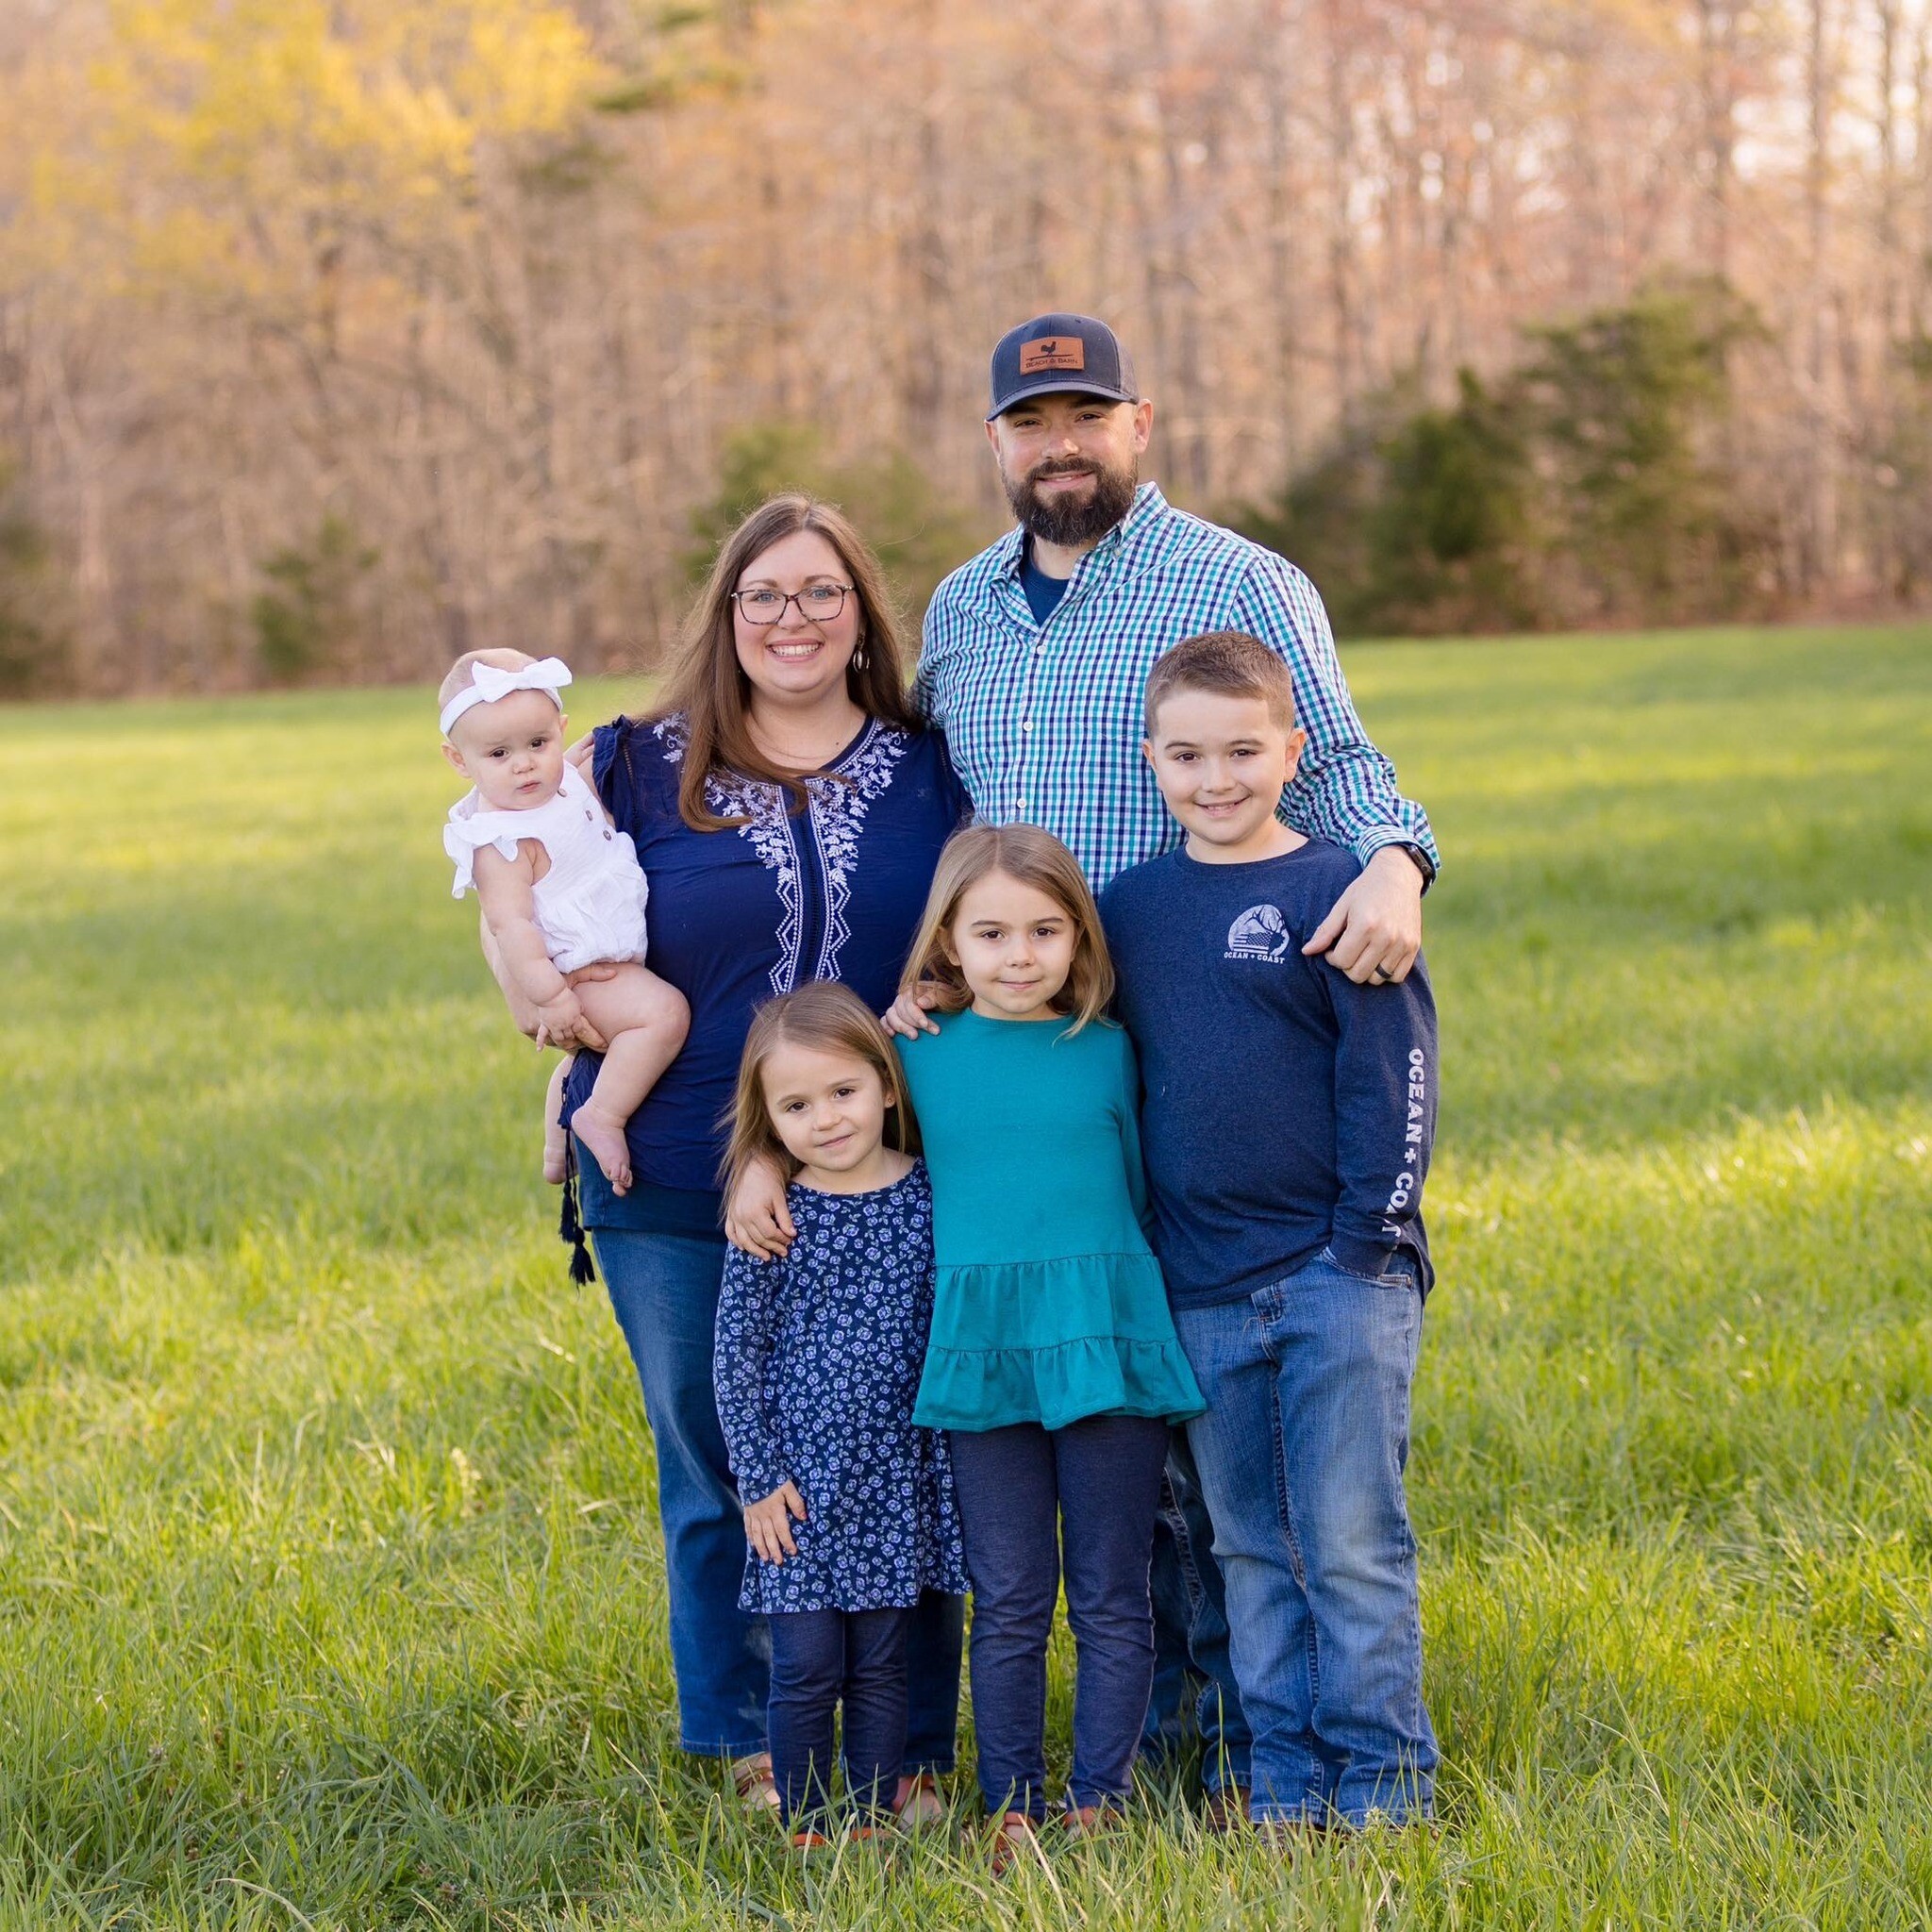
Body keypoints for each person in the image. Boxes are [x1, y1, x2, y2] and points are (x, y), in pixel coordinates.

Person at [904, 310, 1444, 1819]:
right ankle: (1176, 1746)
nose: (1058, 444)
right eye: (1030, 422)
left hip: (1204, 1014)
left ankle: (1257, 1760)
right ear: (998, 440)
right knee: (1119, 1400)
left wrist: (1398, 860)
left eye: (1087, 416)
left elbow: (1333, 762)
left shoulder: (1239, 582)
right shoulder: (960, 609)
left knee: (1223, 1468)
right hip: (1035, 1058)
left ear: (1140, 424)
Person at [489, 497, 971, 1816]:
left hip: (880, 1178)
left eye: (822, 593)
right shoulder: (635, 764)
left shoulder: (932, 764)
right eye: (763, 595)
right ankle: (760, 1738)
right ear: (726, 614)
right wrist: (557, 1035)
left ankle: (908, 1747)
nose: (793, 620)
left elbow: (976, 934)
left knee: (893, 1445)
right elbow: (517, 885)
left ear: (864, 613)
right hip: (670, 1165)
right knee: (716, 1456)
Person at [1100, 631, 1440, 1832]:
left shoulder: (1336, 886)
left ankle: (1383, 1783)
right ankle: (1283, 1778)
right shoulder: (1126, 908)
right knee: (1245, 1549)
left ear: (1291, 751)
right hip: (1195, 1283)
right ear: (1149, 759)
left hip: (1335, 1272)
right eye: (1186, 753)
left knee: (1347, 1543)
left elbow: (1392, 1079)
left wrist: (1365, 1241)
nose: (1215, 776)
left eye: (1242, 750)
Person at [893, 824, 1203, 1870]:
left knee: (1113, 1587)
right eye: (989, 932)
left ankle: (1098, 1796)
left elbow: (1146, 1187)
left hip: (1104, 1336)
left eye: (1041, 930)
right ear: (947, 941)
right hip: (983, 1344)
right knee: (1012, 1592)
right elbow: (831, 1142)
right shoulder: (913, 1056)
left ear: (1079, 939)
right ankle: (1013, 1797)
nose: (1016, 954)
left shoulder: (1111, 1049)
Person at [712, 983, 967, 1847]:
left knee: (886, 1664)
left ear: (887, 1086)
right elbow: (735, 1358)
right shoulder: (774, 1218)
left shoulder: (933, 1199)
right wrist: (757, 1478)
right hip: (799, 1488)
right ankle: (809, 1823)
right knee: (810, 1664)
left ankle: (868, 1817)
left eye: (843, 1092)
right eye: (795, 1104)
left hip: (898, 1479)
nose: (824, 1118)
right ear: (770, 1122)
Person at [441, 649, 688, 1194]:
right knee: (662, 1016)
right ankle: (601, 1116)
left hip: (604, 955)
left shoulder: (560, 782)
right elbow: (512, 928)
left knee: (595, 1052)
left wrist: (573, 762)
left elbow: (573, 786)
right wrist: (550, 998)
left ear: (560, 731)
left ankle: (559, 1144)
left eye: (538, 743)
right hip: (578, 970)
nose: (524, 764)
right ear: (459, 761)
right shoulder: (500, 841)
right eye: (499, 753)